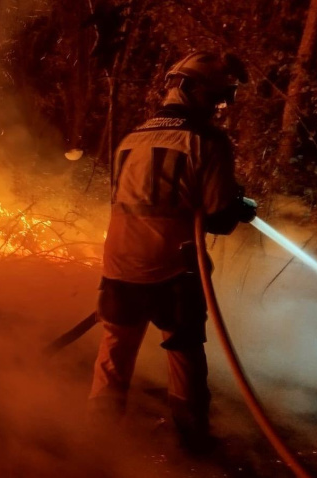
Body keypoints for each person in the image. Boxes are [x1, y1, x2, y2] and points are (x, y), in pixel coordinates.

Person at [88, 51, 257, 451]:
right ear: (190, 89)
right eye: (217, 98)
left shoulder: (130, 138)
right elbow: (218, 217)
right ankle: (191, 445)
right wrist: (242, 207)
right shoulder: (207, 142)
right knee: (184, 354)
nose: (219, 108)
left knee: (114, 351)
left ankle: (95, 444)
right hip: (174, 270)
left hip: (119, 266)